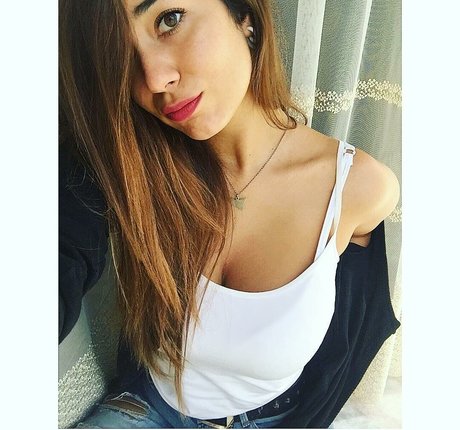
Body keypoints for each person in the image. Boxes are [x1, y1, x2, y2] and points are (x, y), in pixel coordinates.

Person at [59, 0, 400, 428]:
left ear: (245, 17)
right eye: (120, 54)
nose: (155, 79)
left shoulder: (358, 189)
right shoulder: (130, 166)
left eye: (169, 20)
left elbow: (352, 334)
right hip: (146, 408)